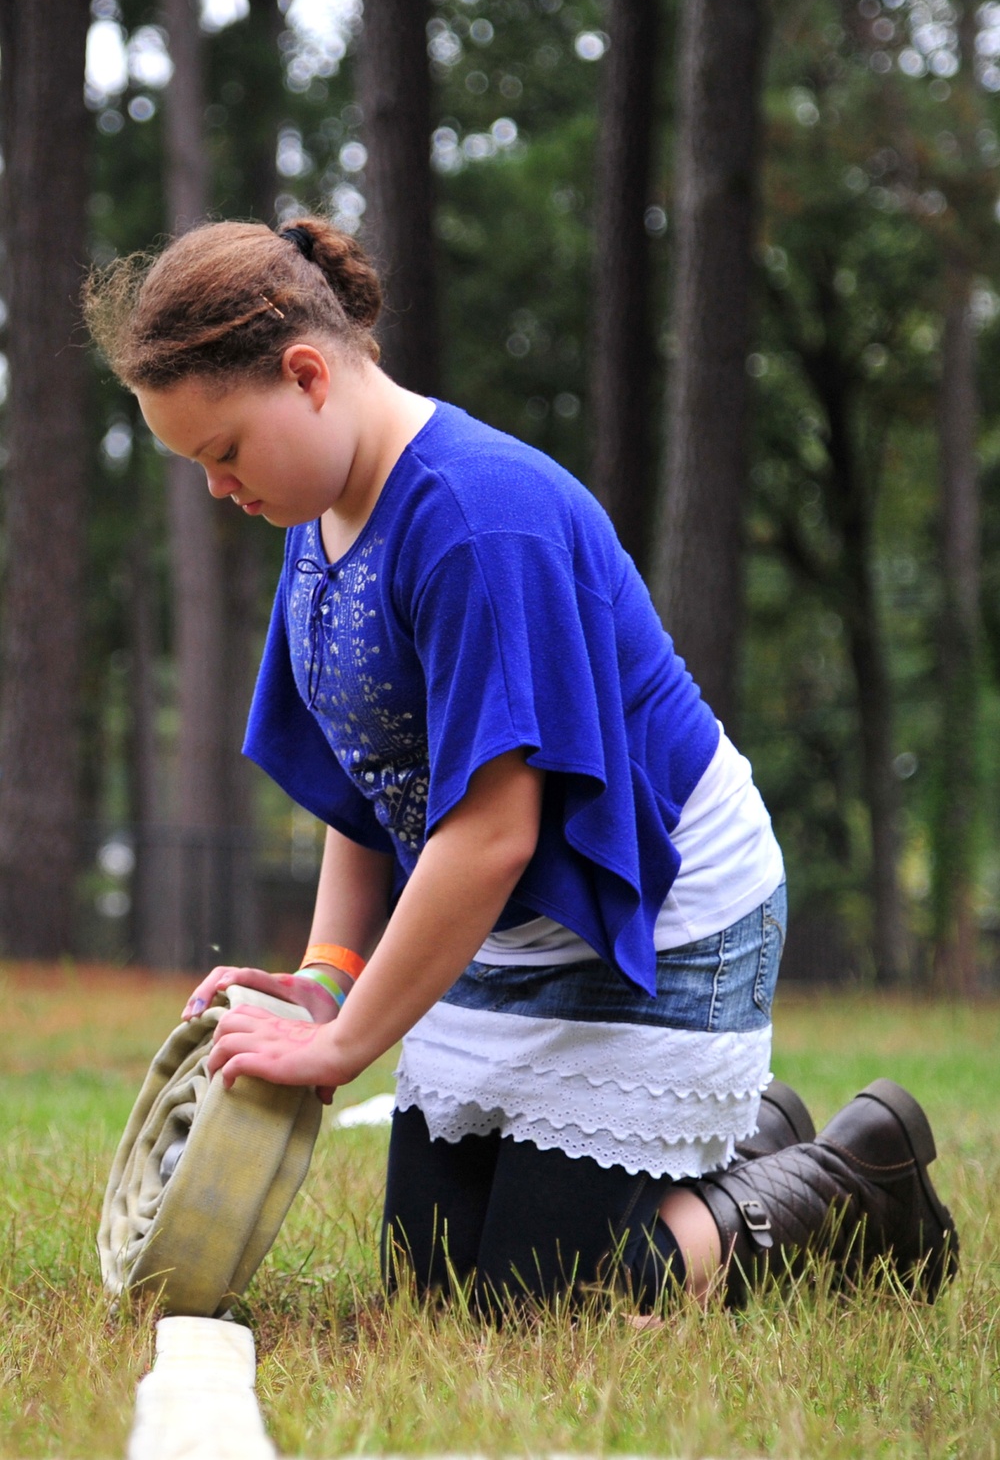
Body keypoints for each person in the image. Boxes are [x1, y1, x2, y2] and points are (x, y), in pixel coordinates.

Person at [83, 218, 958, 1314]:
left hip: (651, 921)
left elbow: (495, 833)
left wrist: (346, 1044)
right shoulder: (316, 519)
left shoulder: (477, 519)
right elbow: (368, 785)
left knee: (532, 1307)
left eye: (223, 452)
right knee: (434, 1291)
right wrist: (326, 978)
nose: (218, 487)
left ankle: (848, 1187)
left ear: (306, 376)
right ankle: (748, 1138)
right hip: (504, 930)